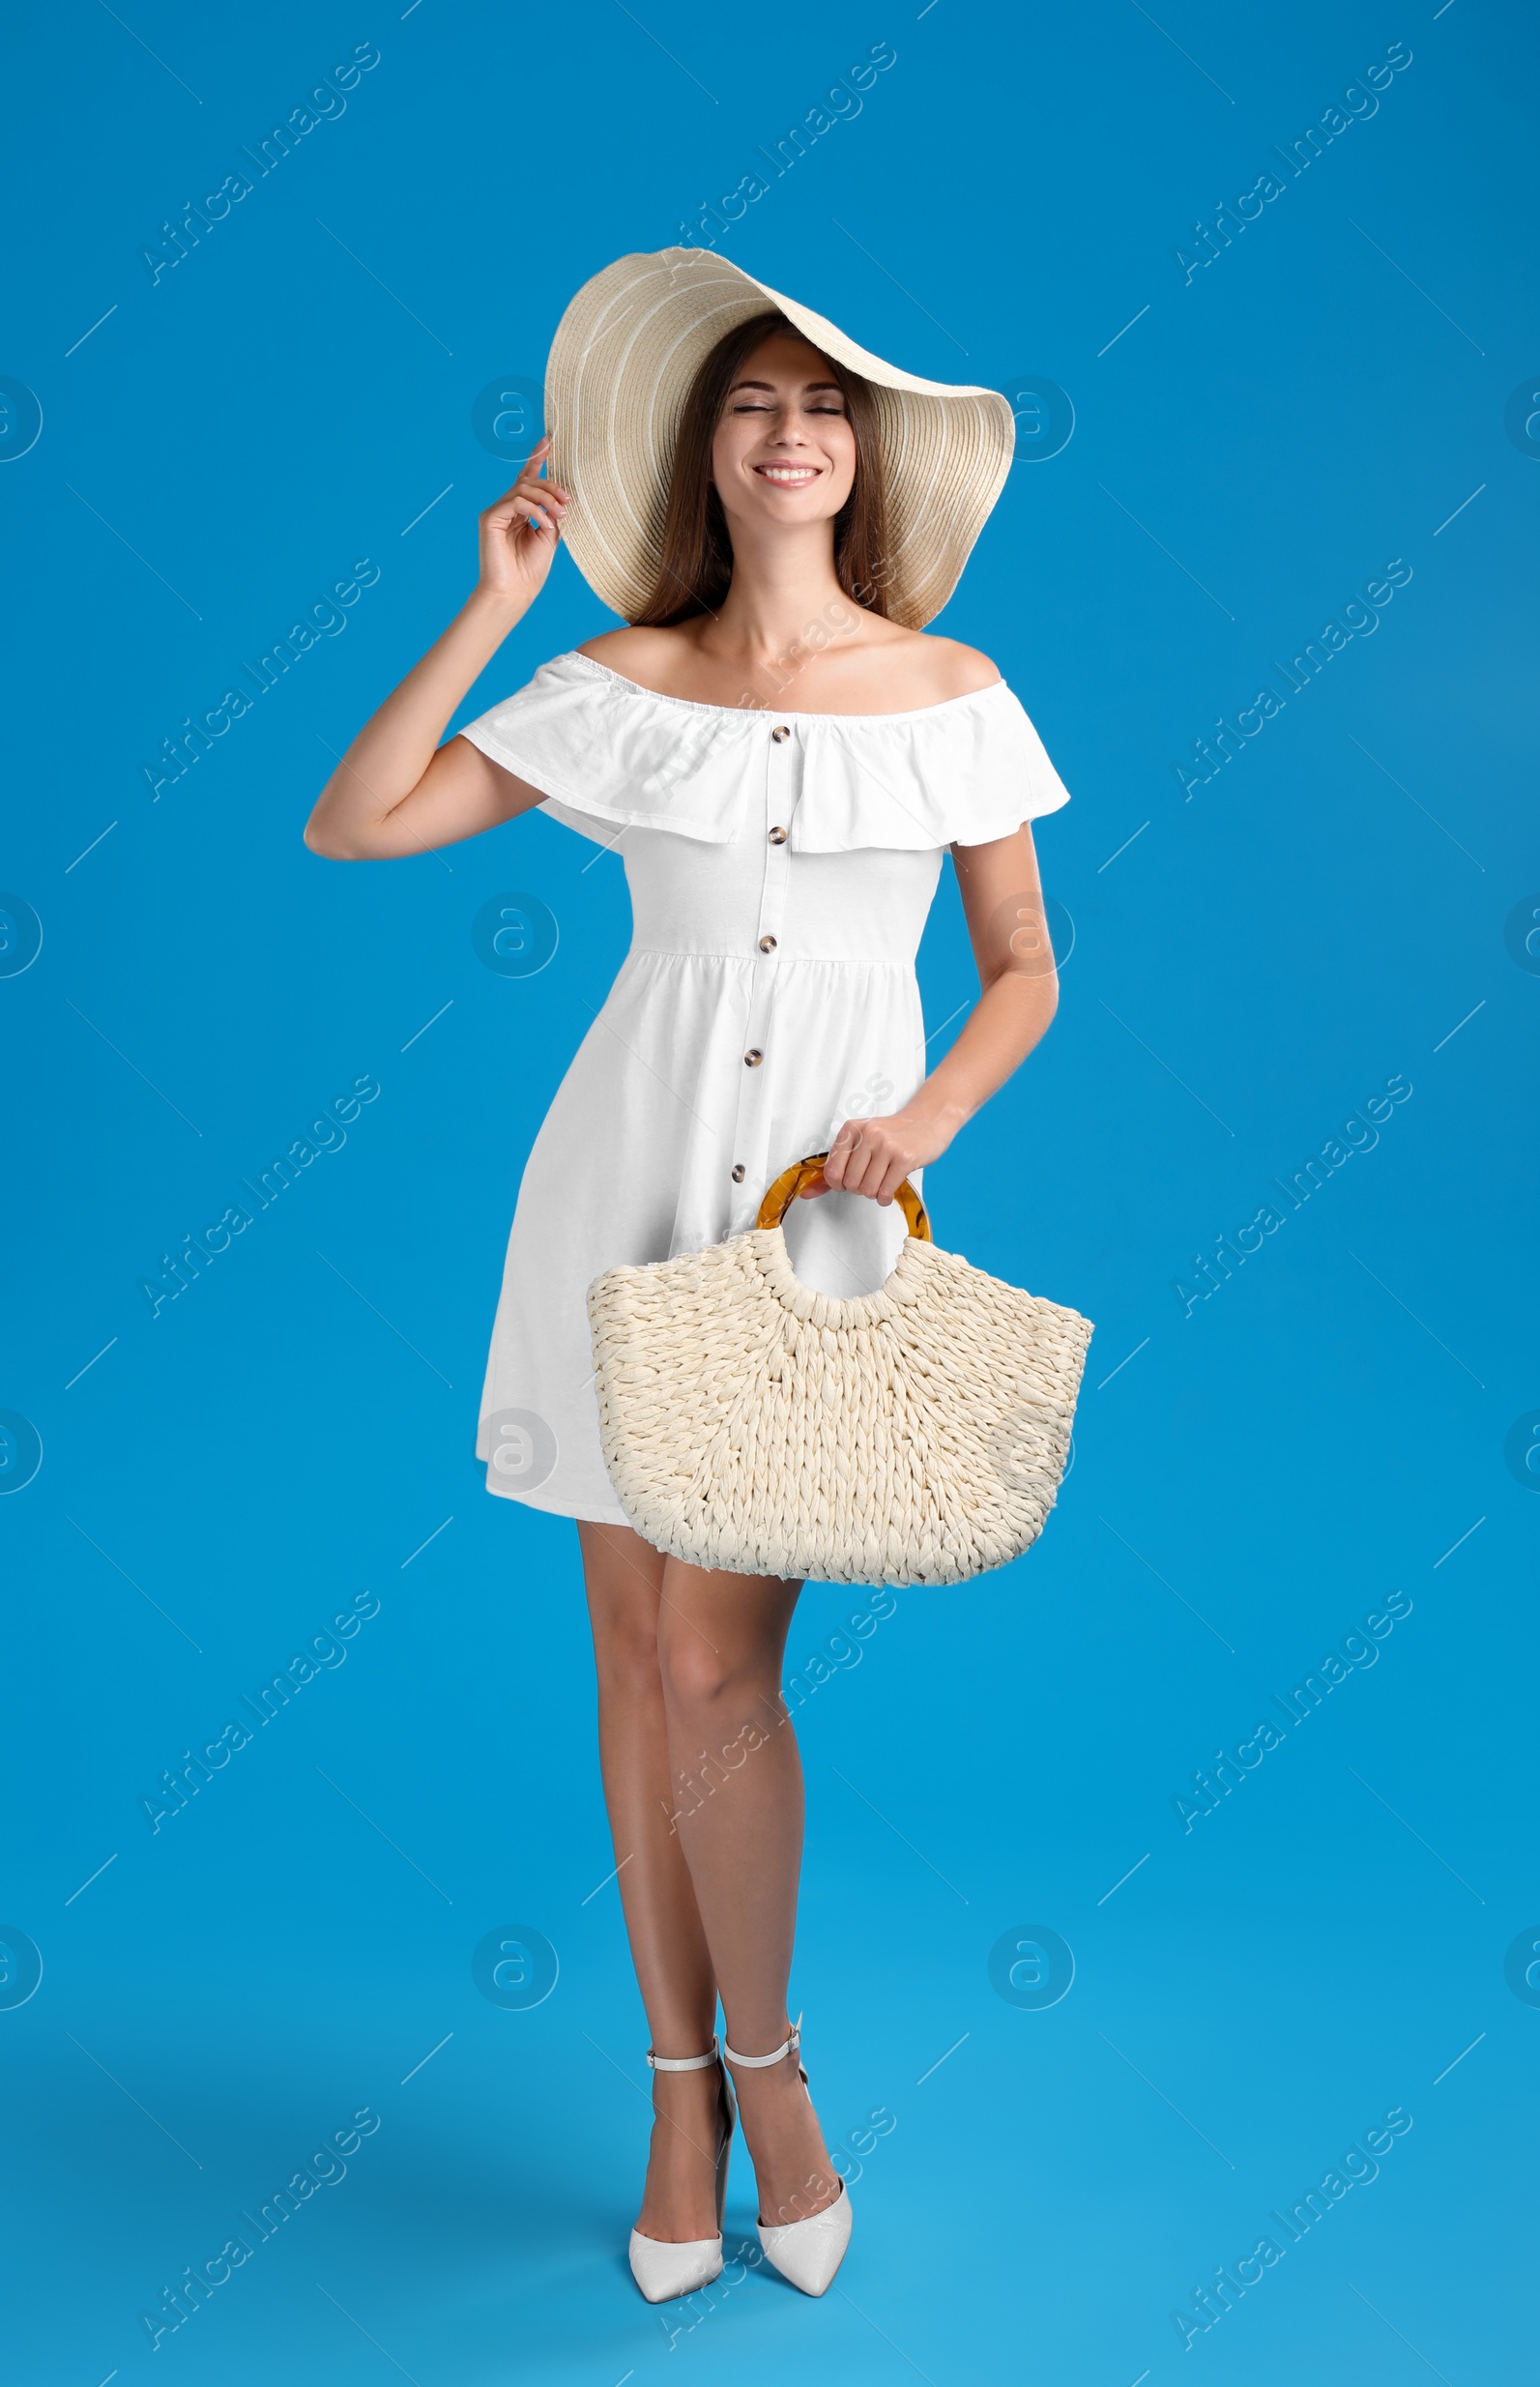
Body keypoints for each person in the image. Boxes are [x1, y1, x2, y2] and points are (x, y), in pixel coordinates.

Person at [305, 248, 1071, 2303]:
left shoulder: (951, 691)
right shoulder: (622, 687)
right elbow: (357, 818)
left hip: (813, 1225)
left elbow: (1021, 970)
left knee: (727, 1662)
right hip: (614, 1187)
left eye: (823, 408)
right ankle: (669, 2093)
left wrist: (926, 1125)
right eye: (750, 404)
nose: (789, 433)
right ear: (706, 448)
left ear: (866, 452)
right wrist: (495, 596)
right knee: (634, 1666)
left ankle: (771, 2061)